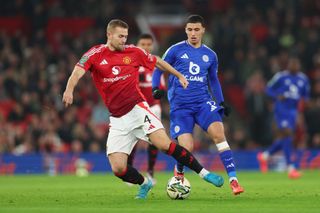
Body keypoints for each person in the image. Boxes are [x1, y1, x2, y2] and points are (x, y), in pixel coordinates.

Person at [62, 19, 224, 199]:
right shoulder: (95, 53)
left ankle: (204, 173)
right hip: (117, 119)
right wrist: (69, 90)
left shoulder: (134, 52)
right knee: (118, 168)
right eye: (120, 36)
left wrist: (178, 75)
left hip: (138, 110)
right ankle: (144, 183)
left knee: (165, 145)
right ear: (109, 35)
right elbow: (77, 71)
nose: (124, 40)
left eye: (126, 36)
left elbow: (158, 62)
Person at [152, 14, 244, 195]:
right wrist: (156, 88)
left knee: (219, 134)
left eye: (196, 29)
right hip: (181, 107)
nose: (193, 33)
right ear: (186, 30)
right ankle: (179, 170)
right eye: (189, 29)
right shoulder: (175, 50)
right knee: (187, 147)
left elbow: (213, 80)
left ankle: (234, 180)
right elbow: (158, 68)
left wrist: (222, 101)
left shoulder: (210, 55)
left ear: (203, 30)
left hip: (203, 103)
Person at [257, 57, 310, 179]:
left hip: (293, 111)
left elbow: (305, 97)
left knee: (288, 138)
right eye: (291, 64)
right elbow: (268, 88)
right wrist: (277, 96)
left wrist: (302, 109)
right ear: (288, 65)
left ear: (299, 66)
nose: (293, 66)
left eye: (296, 64)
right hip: (281, 109)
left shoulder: (303, 79)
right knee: (287, 134)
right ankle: (291, 168)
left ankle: (265, 156)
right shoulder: (281, 76)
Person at [127, 33, 162, 185]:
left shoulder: (156, 64)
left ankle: (150, 172)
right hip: (136, 106)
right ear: (137, 46)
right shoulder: (132, 63)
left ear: (152, 46)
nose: (146, 47)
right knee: (133, 139)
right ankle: (130, 170)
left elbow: (160, 88)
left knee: (154, 140)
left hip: (154, 106)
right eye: (143, 44)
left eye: (149, 44)